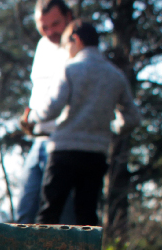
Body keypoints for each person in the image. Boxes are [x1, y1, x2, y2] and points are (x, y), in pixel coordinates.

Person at [31, 20, 140, 226]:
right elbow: (133, 118)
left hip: (63, 151)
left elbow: (50, 110)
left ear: (76, 39)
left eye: (67, 45)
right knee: (87, 219)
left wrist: (30, 117)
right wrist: (112, 128)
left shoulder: (70, 69)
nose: (67, 51)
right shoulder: (115, 75)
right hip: (95, 154)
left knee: (49, 215)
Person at [15, 0, 74, 224]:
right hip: (38, 138)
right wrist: (29, 112)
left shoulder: (77, 47)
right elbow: (39, 86)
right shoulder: (42, 46)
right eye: (44, 27)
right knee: (25, 211)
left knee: (63, 218)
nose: (50, 32)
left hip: (64, 142)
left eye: (55, 24)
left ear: (69, 17)